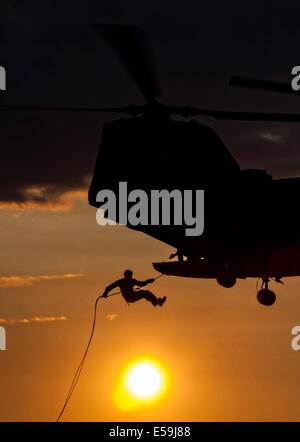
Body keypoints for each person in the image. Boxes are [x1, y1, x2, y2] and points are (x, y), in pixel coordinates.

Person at [102, 269, 167, 307]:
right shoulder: (123, 281)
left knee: (145, 293)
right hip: (131, 297)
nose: (130, 276)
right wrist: (105, 293)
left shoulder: (125, 281)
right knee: (145, 293)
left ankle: (156, 302)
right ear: (127, 275)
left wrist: (148, 281)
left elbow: (142, 283)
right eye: (130, 275)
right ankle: (157, 302)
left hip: (131, 296)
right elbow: (142, 283)